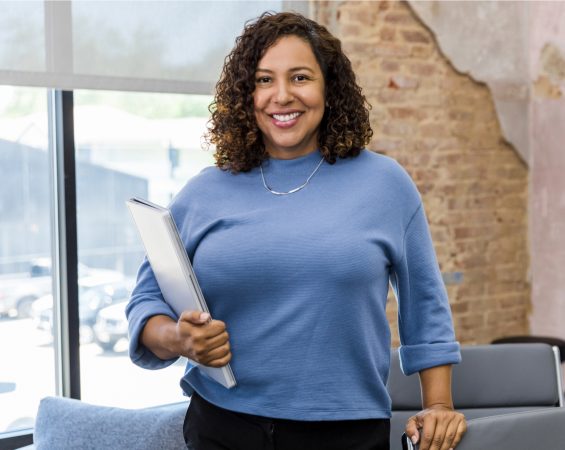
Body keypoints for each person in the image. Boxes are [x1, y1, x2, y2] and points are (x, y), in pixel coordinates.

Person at [126, 11, 466, 450]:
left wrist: (438, 405)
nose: (281, 96)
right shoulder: (204, 191)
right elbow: (147, 299)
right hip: (221, 427)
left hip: (344, 433)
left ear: (329, 87)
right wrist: (178, 338)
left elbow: (425, 303)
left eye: (300, 77)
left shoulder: (385, 185)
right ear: (245, 94)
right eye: (264, 80)